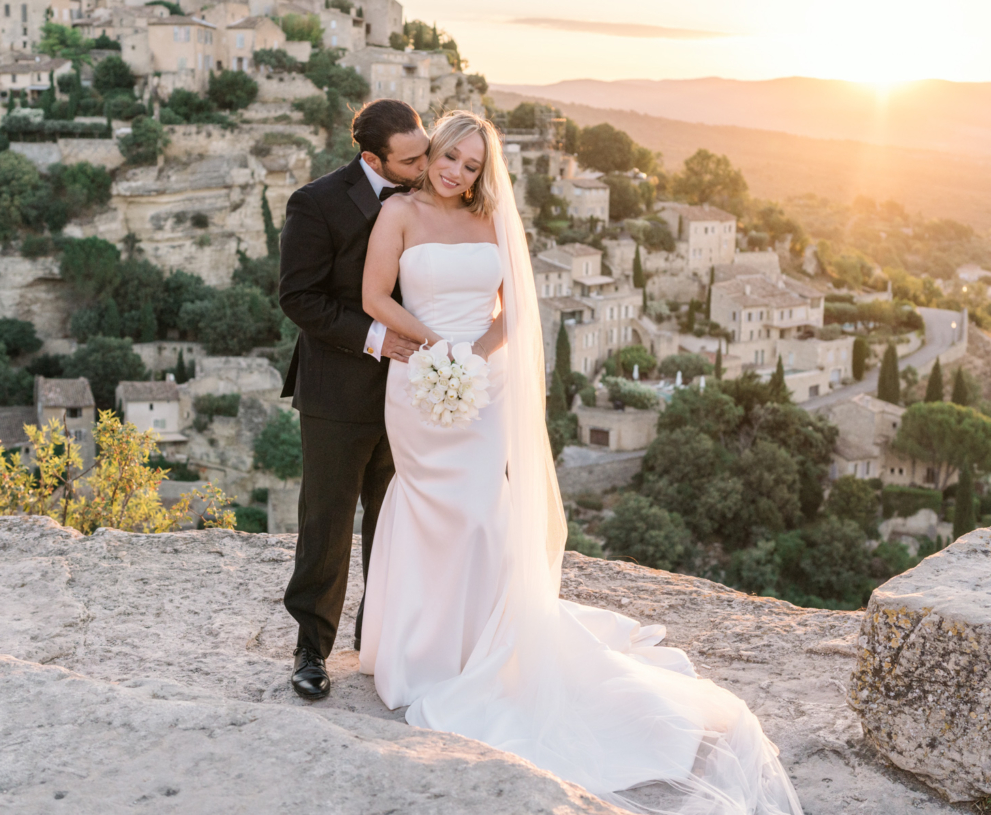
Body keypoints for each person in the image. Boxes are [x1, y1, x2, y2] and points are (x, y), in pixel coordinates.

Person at [356, 110, 803, 814]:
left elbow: (515, 314)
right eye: (450, 158)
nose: (458, 173)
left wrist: (473, 355)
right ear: (432, 152)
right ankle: (414, 654)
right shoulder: (399, 214)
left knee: (480, 513)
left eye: (473, 166)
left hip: (481, 382)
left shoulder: (493, 222)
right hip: (418, 381)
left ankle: (481, 651)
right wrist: (438, 345)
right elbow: (374, 297)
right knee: (427, 506)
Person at [277, 98, 430, 700]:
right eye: (411, 158)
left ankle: (379, 641)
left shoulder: (430, 196)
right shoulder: (314, 204)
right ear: (372, 158)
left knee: (394, 522)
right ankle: (311, 648)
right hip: (336, 390)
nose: (425, 165)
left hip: (412, 392)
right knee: (328, 522)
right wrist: (377, 339)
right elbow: (298, 298)